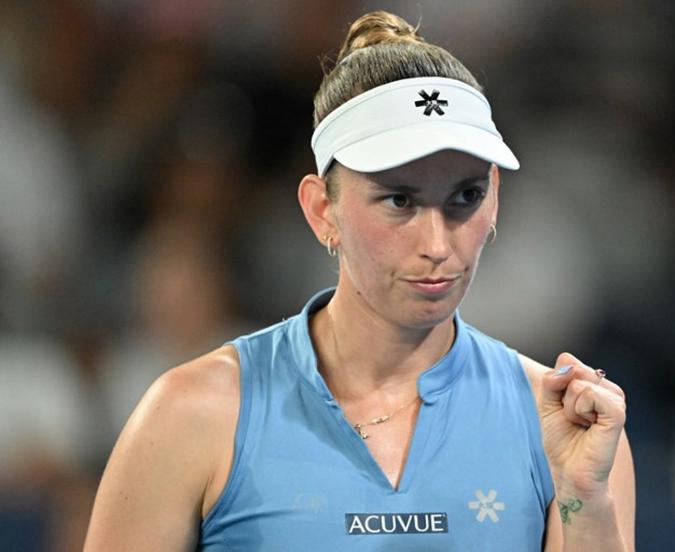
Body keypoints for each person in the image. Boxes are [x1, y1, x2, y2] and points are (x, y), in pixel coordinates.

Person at [84, 11, 635, 551]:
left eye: (465, 197)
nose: (439, 246)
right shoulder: (190, 415)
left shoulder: (561, 428)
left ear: (495, 196)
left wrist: (583, 497)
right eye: (399, 200)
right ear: (322, 209)